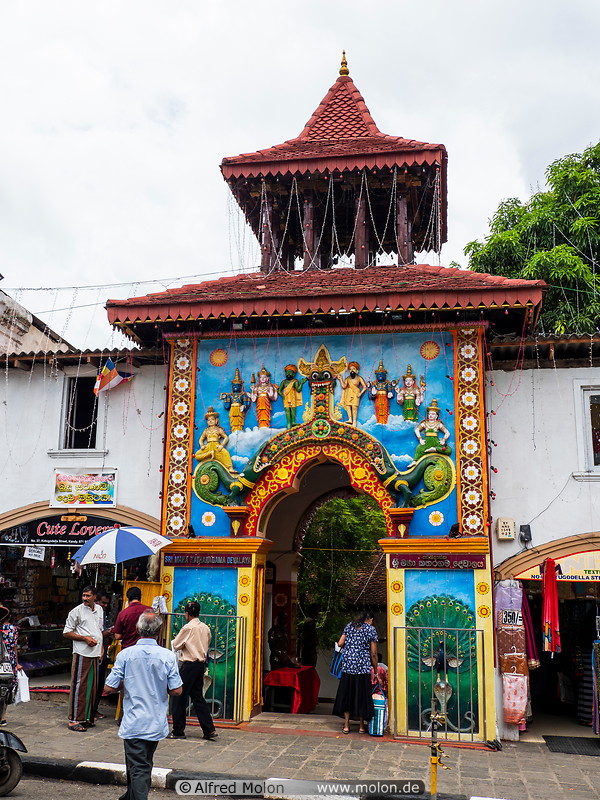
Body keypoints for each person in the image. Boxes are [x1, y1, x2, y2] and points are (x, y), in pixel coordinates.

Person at [104, 611, 182, 800]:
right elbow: (177, 690)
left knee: (138, 767)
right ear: (159, 630)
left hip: (134, 721)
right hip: (155, 722)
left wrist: (127, 683)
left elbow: (109, 687)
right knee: (142, 764)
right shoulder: (167, 656)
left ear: (138, 629)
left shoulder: (125, 655)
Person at [169, 602, 218, 741]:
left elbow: (176, 644)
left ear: (187, 614)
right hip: (200, 665)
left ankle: (178, 730)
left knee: (179, 697)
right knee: (197, 697)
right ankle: (209, 729)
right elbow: (207, 643)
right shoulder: (205, 627)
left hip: (189, 664)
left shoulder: (188, 627)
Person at [63, 585, 104, 732]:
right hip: (82, 652)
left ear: (94, 597)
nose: (85, 598)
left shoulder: (99, 609)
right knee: (79, 686)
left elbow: (99, 630)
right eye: (83, 595)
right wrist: (84, 638)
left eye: (88, 596)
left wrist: (102, 648)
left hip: (95, 652)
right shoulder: (76, 612)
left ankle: (86, 718)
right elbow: (67, 632)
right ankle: (74, 719)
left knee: (92, 687)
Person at [332, 610, 378, 734]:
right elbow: (373, 653)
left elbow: (341, 643)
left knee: (348, 695)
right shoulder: (371, 630)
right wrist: (376, 670)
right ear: (371, 619)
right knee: (361, 696)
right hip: (362, 668)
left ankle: (346, 725)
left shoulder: (349, 626)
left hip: (348, 666)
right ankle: (362, 726)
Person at [92, 590, 114, 721]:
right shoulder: (94, 615)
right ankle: (91, 710)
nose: (105, 605)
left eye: (107, 603)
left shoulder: (102, 614)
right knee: (96, 682)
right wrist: (108, 632)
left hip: (103, 650)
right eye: (103, 603)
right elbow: (97, 634)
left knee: (100, 683)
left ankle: (94, 709)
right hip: (96, 652)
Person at [194, 406, 235, 472]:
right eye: (208, 420)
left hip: (216, 445)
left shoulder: (218, 429)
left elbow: (226, 437)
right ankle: (210, 454)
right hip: (208, 446)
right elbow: (201, 439)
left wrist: (222, 445)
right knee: (197, 456)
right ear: (207, 422)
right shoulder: (206, 430)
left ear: (216, 421)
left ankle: (230, 468)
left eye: (212, 419)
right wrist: (202, 445)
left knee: (226, 453)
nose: (210, 421)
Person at [0, 605, 21, 726]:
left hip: (5, 660)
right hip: (9, 661)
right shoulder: (13, 629)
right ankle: (3, 717)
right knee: (5, 688)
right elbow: (14, 647)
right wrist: (17, 663)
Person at [412, 399, 452, 463]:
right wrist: (420, 439)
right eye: (429, 414)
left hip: (435, 441)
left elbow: (447, 432)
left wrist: (443, 440)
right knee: (419, 449)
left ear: (436, 416)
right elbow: (417, 430)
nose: (430, 415)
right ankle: (414, 462)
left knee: (448, 450)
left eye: (433, 414)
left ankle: (434, 449)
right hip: (426, 441)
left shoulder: (438, 424)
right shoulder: (425, 423)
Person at [338, 362, 367, 426]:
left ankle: (354, 421)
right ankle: (350, 419)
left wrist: (360, 393)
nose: (352, 371)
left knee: (354, 407)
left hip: (356, 393)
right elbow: (344, 386)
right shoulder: (348, 378)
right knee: (348, 406)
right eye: (350, 369)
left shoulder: (359, 378)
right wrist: (340, 379)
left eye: (353, 369)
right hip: (349, 392)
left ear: (357, 371)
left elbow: (364, 387)